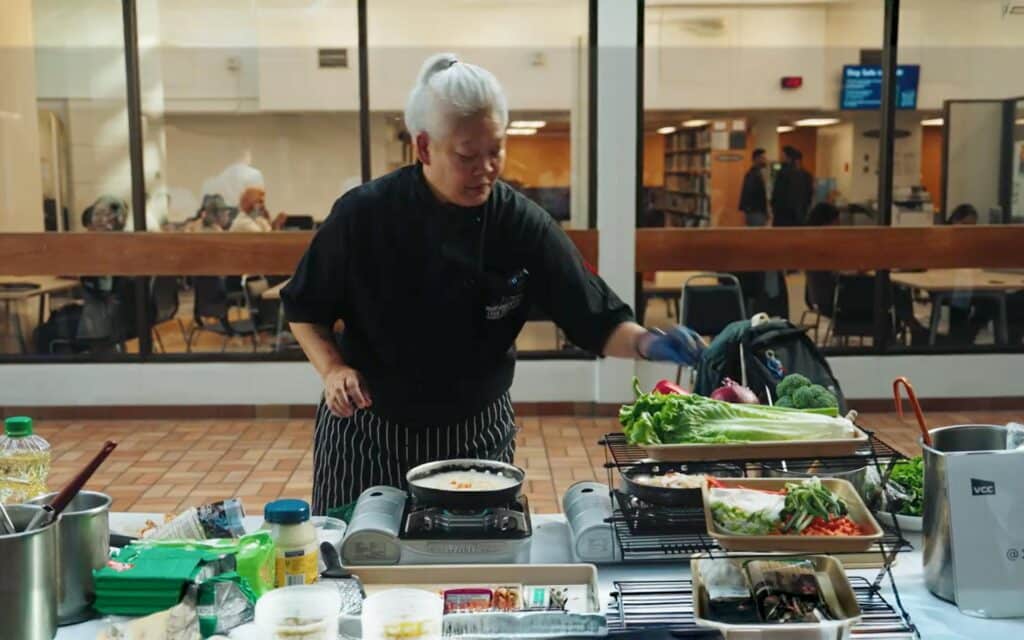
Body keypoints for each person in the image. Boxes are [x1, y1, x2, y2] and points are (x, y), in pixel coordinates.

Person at [281, 53, 707, 516]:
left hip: (475, 429)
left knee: (470, 570)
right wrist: (333, 370)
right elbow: (305, 309)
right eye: (467, 156)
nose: (486, 168)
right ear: (424, 148)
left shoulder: (520, 224)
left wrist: (649, 343)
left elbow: (594, 320)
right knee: (353, 561)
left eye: (496, 150)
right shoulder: (363, 215)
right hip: (367, 429)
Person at [771, 146, 813, 227]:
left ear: (789, 158)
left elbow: (778, 194)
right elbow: (809, 195)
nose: (780, 158)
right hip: (799, 215)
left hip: (783, 215)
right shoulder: (806, 175)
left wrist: (774, 207)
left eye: (782, 156)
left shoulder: (783, 173)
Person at [739, 148, 768, 227]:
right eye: (763, 158)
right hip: (756, 212)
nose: (766, 160)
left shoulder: (757, 174)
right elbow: (749, 193)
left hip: (757, 212)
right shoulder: (752, 175)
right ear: (757, 159)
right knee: (757, 236)